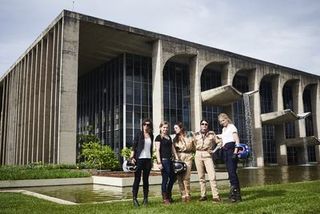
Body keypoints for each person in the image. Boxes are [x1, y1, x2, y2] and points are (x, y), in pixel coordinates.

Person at [194, 119, 221, 203]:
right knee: (201, 177)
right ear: (200, 125)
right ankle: (203, 195)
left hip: (207, 155)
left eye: (206, 124)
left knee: (212, 176)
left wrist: (214, 150)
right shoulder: (196, 134)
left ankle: (216, 196)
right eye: (202, 124)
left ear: (207, 125)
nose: (204, 125)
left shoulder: (211, 134)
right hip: (198, 155)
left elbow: (220, 143)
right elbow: (193, 144)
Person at [217, 113, 242, 202]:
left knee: (232, 173)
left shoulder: (232, 127)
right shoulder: (223, 129)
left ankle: (234, 195)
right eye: (220, 121)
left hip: (232, 151)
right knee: (231, 173)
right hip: (225, 151)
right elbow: (223, 140)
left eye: (223, 120)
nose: (222, 122)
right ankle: (237, 195)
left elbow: (237, 140)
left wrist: (235, 153)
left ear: (227, 119)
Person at [130, 118, 154, 207]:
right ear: (142, 125)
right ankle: (134, 199)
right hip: (139, 159)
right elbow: (133, 147)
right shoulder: (138, 134)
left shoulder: (151, 135)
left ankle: (145, 199)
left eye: (148, 125)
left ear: (150, 126)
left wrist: (151, 159)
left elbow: (151, 149)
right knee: (137, 179)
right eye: (144, 124)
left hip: (147, 160)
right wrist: (132, 158)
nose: (146, 126)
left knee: (146, 180)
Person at [155, 121, 179, 204]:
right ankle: (165, 198)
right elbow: (157, 150)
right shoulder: (158, 137)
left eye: (166, 127)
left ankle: (169, 194)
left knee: (173, 177)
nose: (165, 129)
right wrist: (159, 162)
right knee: (165, 179)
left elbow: (172, 148)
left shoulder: (169, 137)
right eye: (163, 127)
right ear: (160, 128)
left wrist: (176, 157)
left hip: (170, 160)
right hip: (164, 161)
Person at [173, 122, 195, 202]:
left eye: (176, 128)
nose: (174, 130)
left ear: (181, 128)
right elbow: (173, 149)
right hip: (179, 157)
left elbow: (194, 145)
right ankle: (183, 194)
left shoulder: (189, 135)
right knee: (179, 177)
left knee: (186, 177)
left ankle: (188, 194)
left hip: (188, 157)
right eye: (174, 128)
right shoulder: (175, 139)